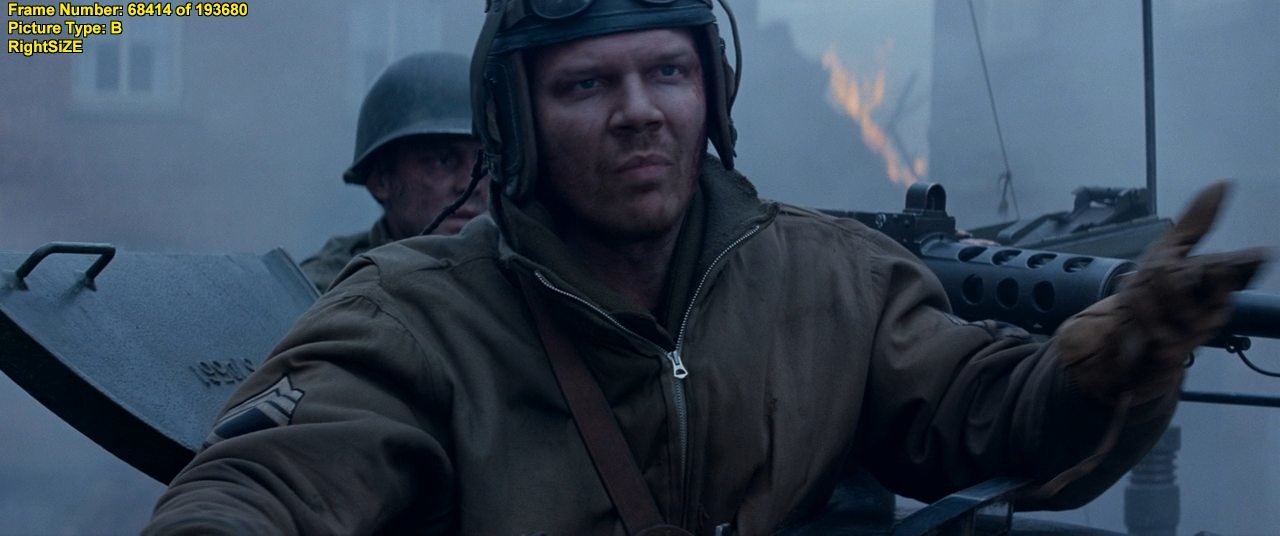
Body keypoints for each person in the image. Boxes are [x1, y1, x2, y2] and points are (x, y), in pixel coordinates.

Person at [145, 1, 1268, 534]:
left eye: (667, 74)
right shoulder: (414, 317)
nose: (639, 111)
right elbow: (260, 486)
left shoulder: (823, 277)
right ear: (517, 123)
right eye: (588, 85)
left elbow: (982, 411)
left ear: (711, 96)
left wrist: (1104, 368)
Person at [299, 50, 488, 291]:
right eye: (443, 161)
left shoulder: (520, 278)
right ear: (381, 179)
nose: (471, 185)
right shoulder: (327, 294)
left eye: (487, 162)